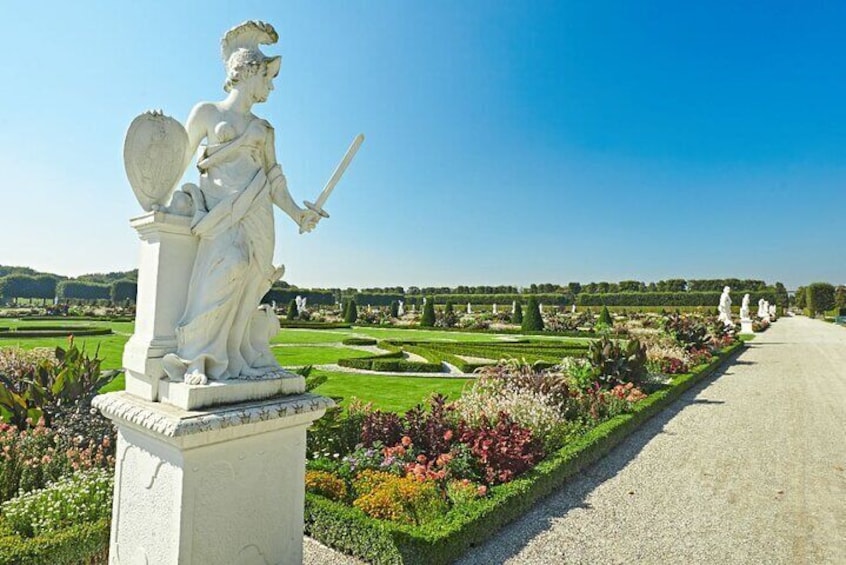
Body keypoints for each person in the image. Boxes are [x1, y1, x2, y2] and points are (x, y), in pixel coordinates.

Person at [163, 21, 321, 385]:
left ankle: (234, 355)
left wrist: (298, 213)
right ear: (248, 72)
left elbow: (274, 180)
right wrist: (164, 199)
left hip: (257, 213)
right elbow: (180, 159)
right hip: (221, 211)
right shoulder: (207, 112)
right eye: (268, 75)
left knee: (251, 281)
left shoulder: (264, 130)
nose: (272, 84)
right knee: (223, 271)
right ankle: (196, 358)